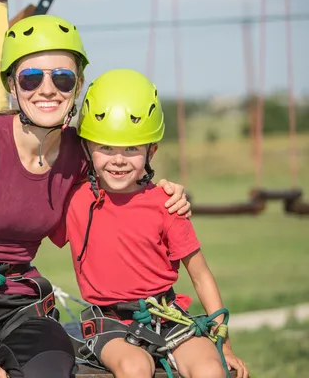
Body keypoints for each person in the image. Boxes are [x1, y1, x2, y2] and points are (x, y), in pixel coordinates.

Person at [0, 15, 191, 378]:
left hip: (20, 304)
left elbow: (122, 187)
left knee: (52, 371)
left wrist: (165, 192)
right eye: (31, 77)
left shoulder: (78, 151)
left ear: (78, 85)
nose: (47, 89)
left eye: (62, 77)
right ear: (12, 84)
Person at [49, 69, 250, 378]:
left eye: (131, 148)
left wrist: (224, 344)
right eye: (106, 147)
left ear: (151, 151)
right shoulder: (75, 201)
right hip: (108, 322)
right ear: (87, 147)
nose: (118, 160)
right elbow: (25, 211)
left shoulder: (167, 204)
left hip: (166, 315)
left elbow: (201, 277)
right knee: (135, 367)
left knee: (211, 370)